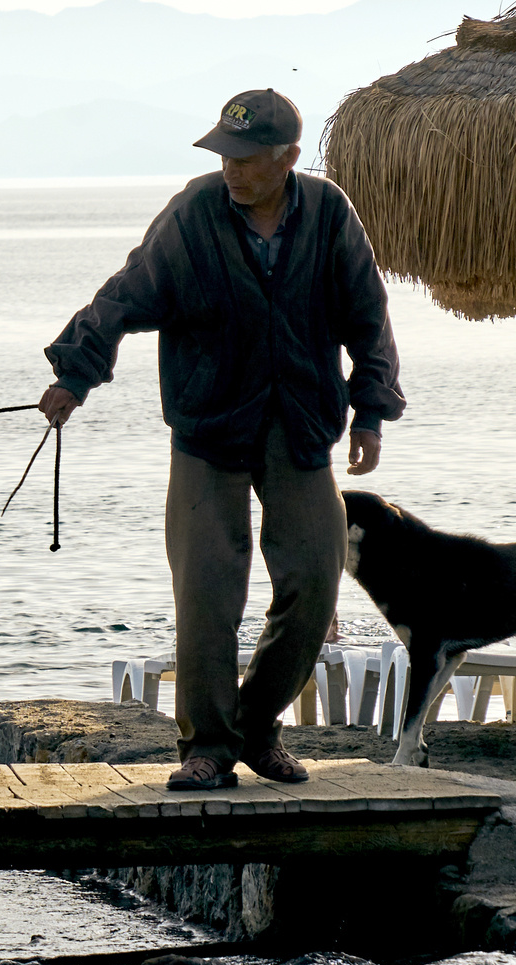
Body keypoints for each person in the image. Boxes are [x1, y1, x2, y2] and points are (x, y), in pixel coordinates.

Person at [38, 88, 404, 791]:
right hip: (208, 423)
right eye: (223, 154)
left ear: (287, 158)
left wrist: (371, 412)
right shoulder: (193, 212)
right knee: (207, 585)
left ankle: (256, 729)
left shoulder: (329, 215)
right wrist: (74, 378)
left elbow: (369, 316)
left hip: (300, 420)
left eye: (245, 157)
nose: (230, 169)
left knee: (315, 579)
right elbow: (125, 295)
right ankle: (206, 745)